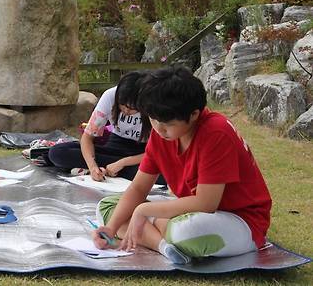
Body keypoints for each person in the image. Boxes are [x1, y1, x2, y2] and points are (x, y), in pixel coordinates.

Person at [93, 66, 272, 265]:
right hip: (190, 213)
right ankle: (164, 246)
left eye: (167, 123)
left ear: (194, 114)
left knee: (187, 232)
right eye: (153, 119)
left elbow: (206, 204)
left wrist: (143, 211)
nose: (159, 129)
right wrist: (110, 229)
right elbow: (138, 187)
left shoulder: (216, 132)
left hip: (238, 220)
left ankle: (156, 230)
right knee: (107, 207)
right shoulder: (161, 135)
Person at [49, 71, 164, 184]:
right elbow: (87, 137)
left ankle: (113, 170)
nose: (126, 110)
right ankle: (112, 171)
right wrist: (93, 167)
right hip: (115, 146)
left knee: (165, 174)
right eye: (122, 105)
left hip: (146, 152)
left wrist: (123, 163)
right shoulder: (110, 95)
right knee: (57, 152)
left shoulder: (154, 102)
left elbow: (159, 151)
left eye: (132, 108)